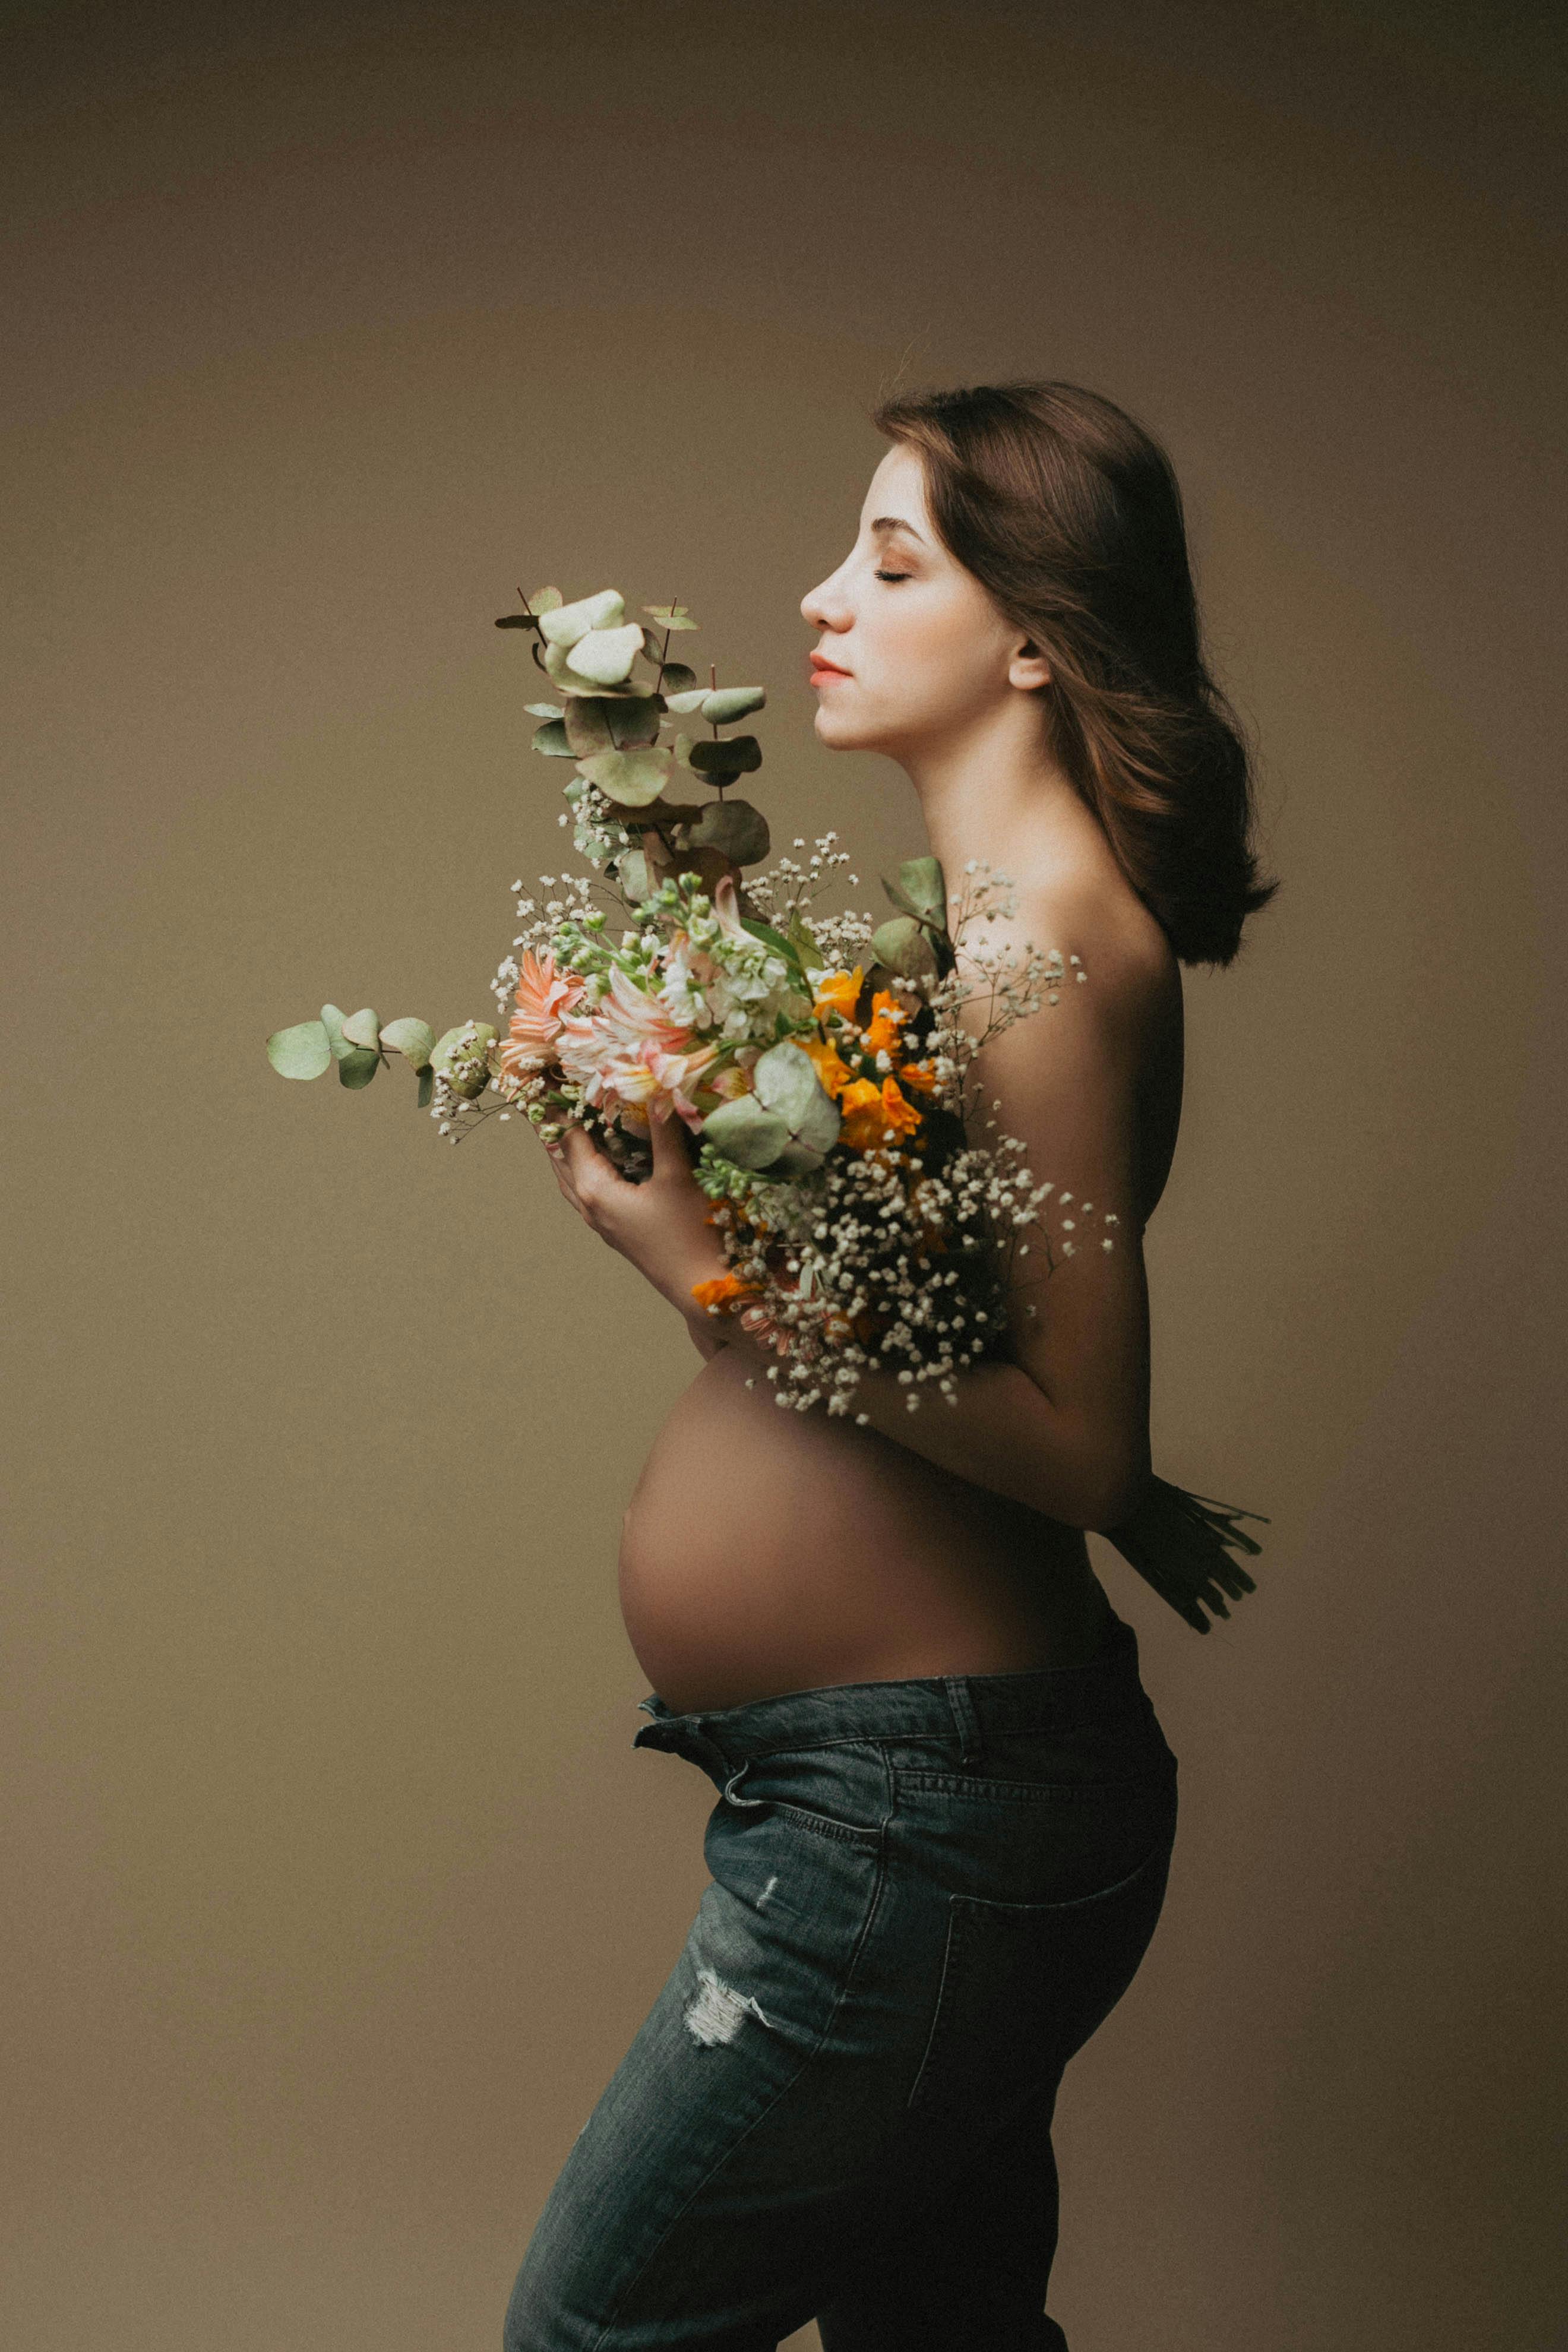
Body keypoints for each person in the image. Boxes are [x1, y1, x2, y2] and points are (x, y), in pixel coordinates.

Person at [503, 380, 1277, 2350]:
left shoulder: (1047, 947)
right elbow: (938, 1325)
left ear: (1032, 634)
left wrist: (703, 1278)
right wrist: (666, 1140)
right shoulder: (982, 940)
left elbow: (1087, 1451)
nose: (825, 593)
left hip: (921, 1823)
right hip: (904, 1799)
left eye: (893, 556)